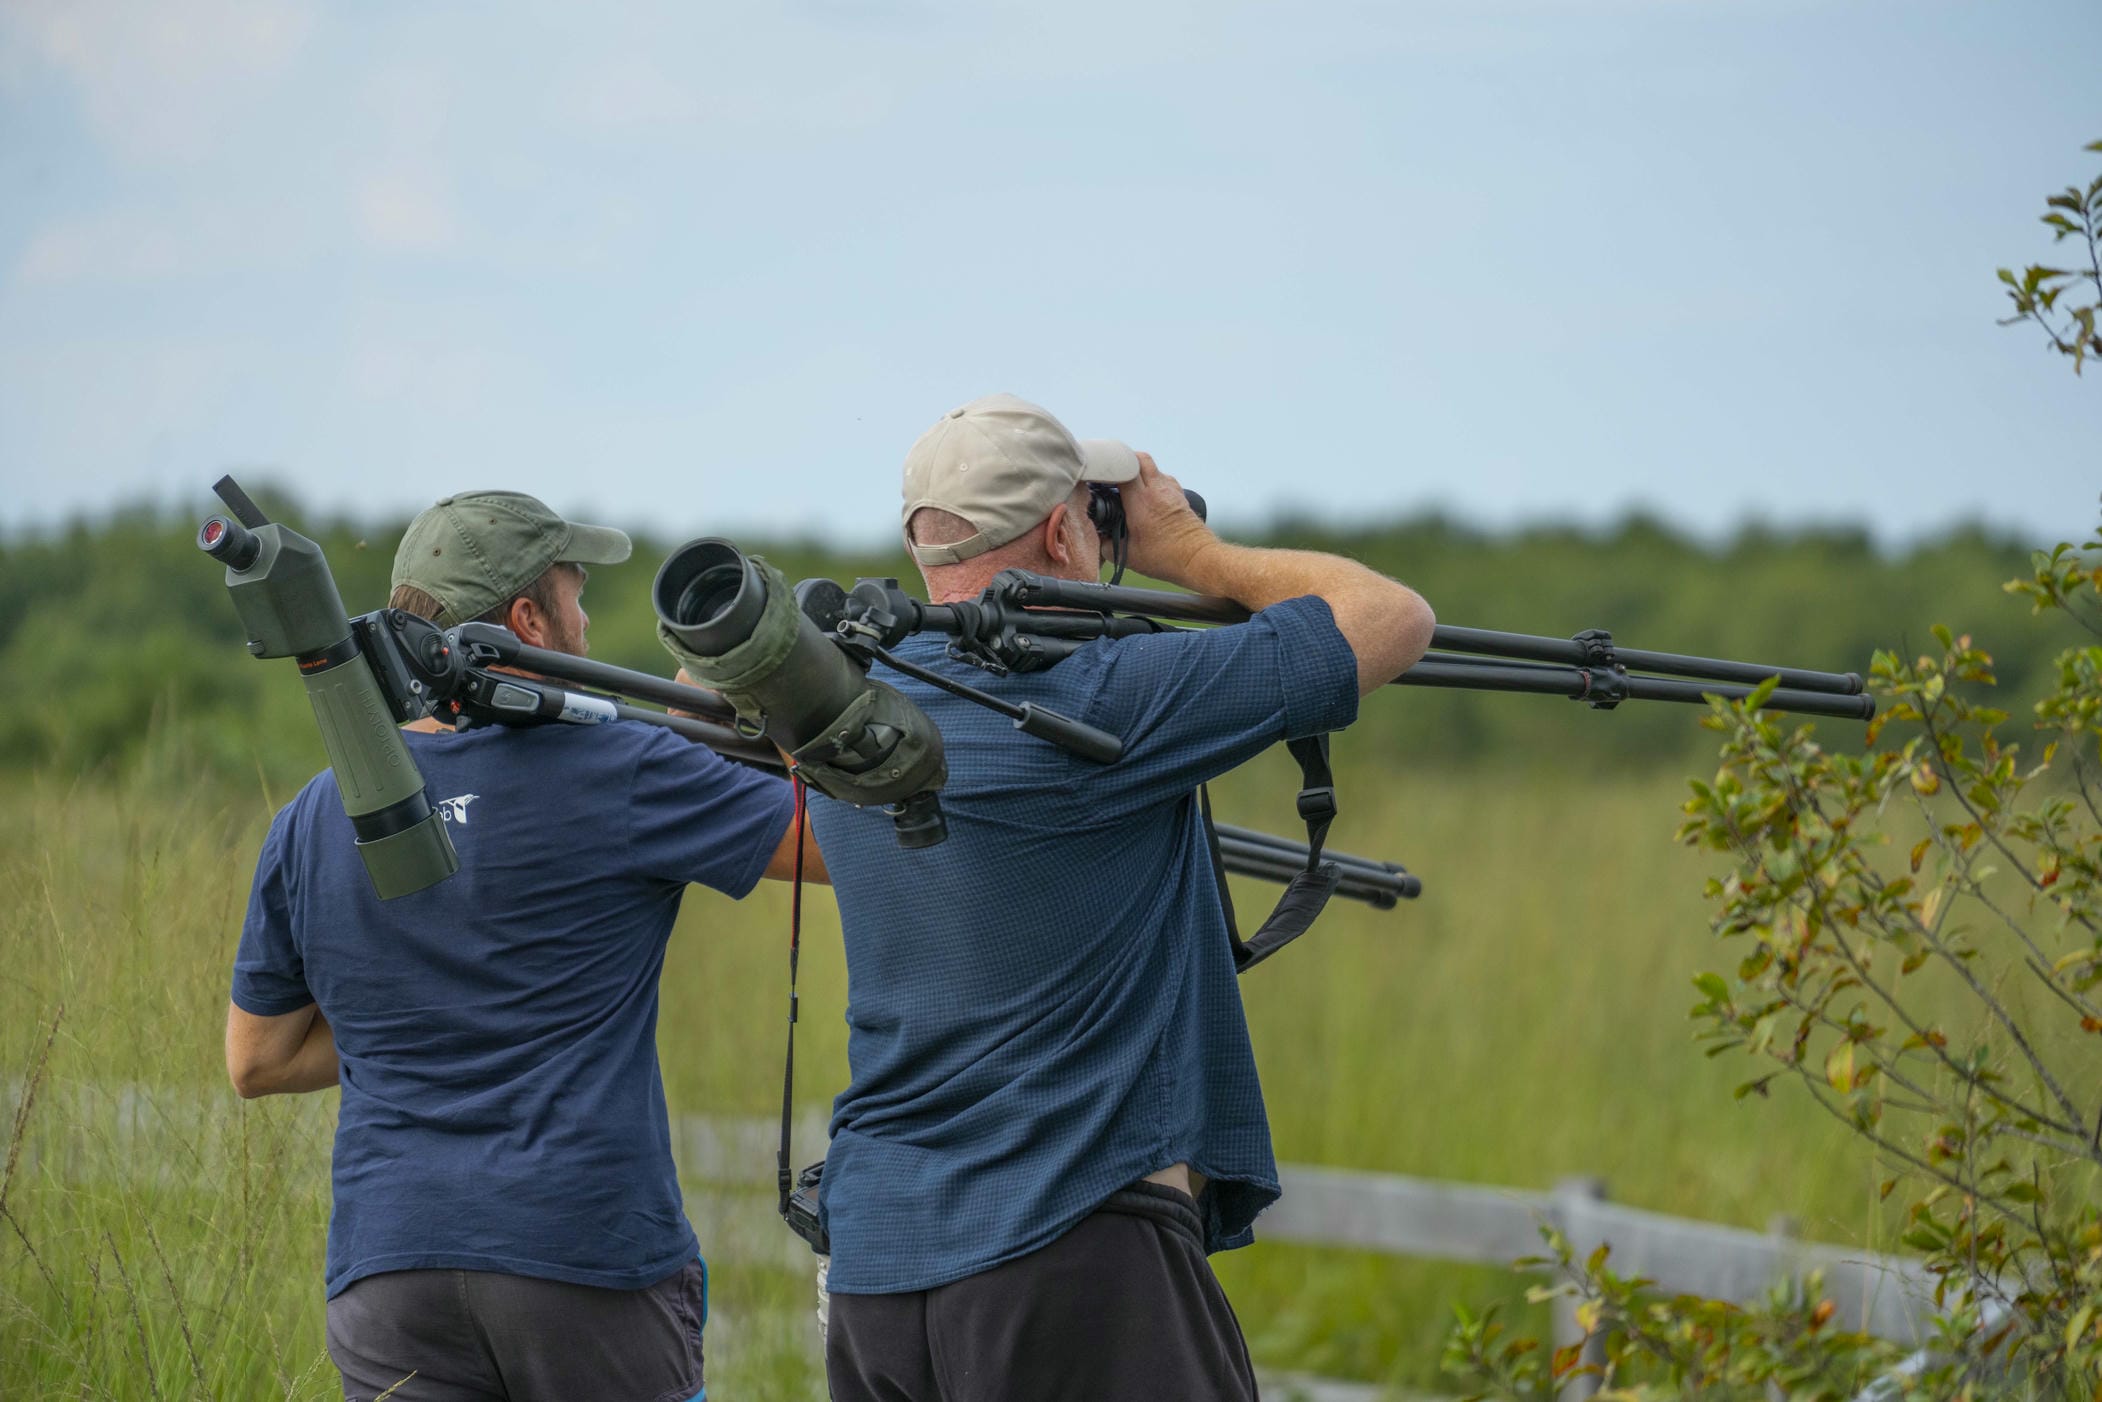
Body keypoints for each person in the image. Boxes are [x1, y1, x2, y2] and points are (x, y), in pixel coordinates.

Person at [810, 393, 1436, 1401]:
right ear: (1063, 529)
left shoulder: (841, 715)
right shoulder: (1101, 700)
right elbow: (1390, 618)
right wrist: (1192, 552)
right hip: (1069, 1247)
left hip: (878, 1266)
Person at [224, 490, 821, 1402]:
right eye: (577, 595)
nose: (587, 621)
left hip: (391, 1273)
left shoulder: (312, 813)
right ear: (528, 619)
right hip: (582, 1259)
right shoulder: (625, 768)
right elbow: (837, 847)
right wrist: (778, 694)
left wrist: (428, 1020)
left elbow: (256, 1060)